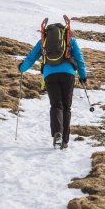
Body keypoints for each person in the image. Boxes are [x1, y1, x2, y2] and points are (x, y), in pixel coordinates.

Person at [18, 20, 87, 149]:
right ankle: (65, 141)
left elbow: (32, 56)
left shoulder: (44, 41)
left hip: (50, 75)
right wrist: (83, 76)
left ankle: (57, 133)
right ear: (64, 31)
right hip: (68, 74)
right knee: (66, 107)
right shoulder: (70, 40)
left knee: (56, 105)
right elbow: (79, 58)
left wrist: (22, 68)